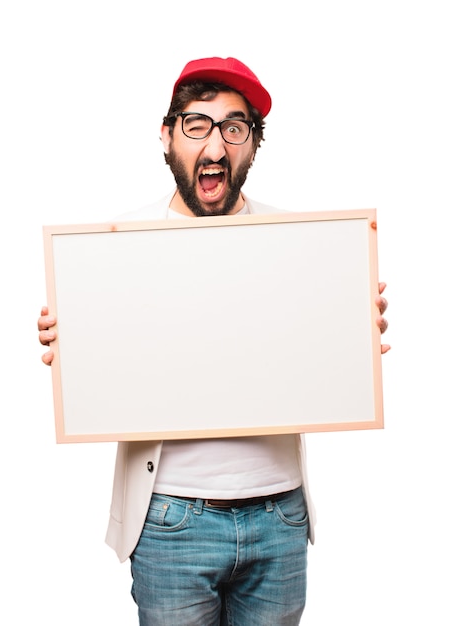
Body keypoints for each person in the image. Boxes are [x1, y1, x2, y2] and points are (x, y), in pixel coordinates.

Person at [38, 56, 390, 625]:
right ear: (167, 134)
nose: (216, 146)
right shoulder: (113, 251)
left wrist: (351, 335)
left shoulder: (302, 245)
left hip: (280, 518)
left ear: (252, 145)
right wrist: (72, 348)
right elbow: (99, 372)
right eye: (197, 125)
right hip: (172, 521)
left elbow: (328, 361)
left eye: (235, 128)